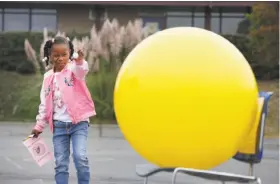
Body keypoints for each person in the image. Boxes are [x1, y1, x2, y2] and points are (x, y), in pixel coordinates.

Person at [30, 36, 96, 184]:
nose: (60, 58)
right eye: (56, 55)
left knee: (80, 156)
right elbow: (44, 104)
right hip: (59, 126)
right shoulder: (48, 77)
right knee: (60, 163)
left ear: (70, 54)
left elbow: (82, 70)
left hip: (79, 123)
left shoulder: (73, 70)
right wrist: (39, 126)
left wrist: (79, 61)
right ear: (50, 56)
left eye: (64, 54)